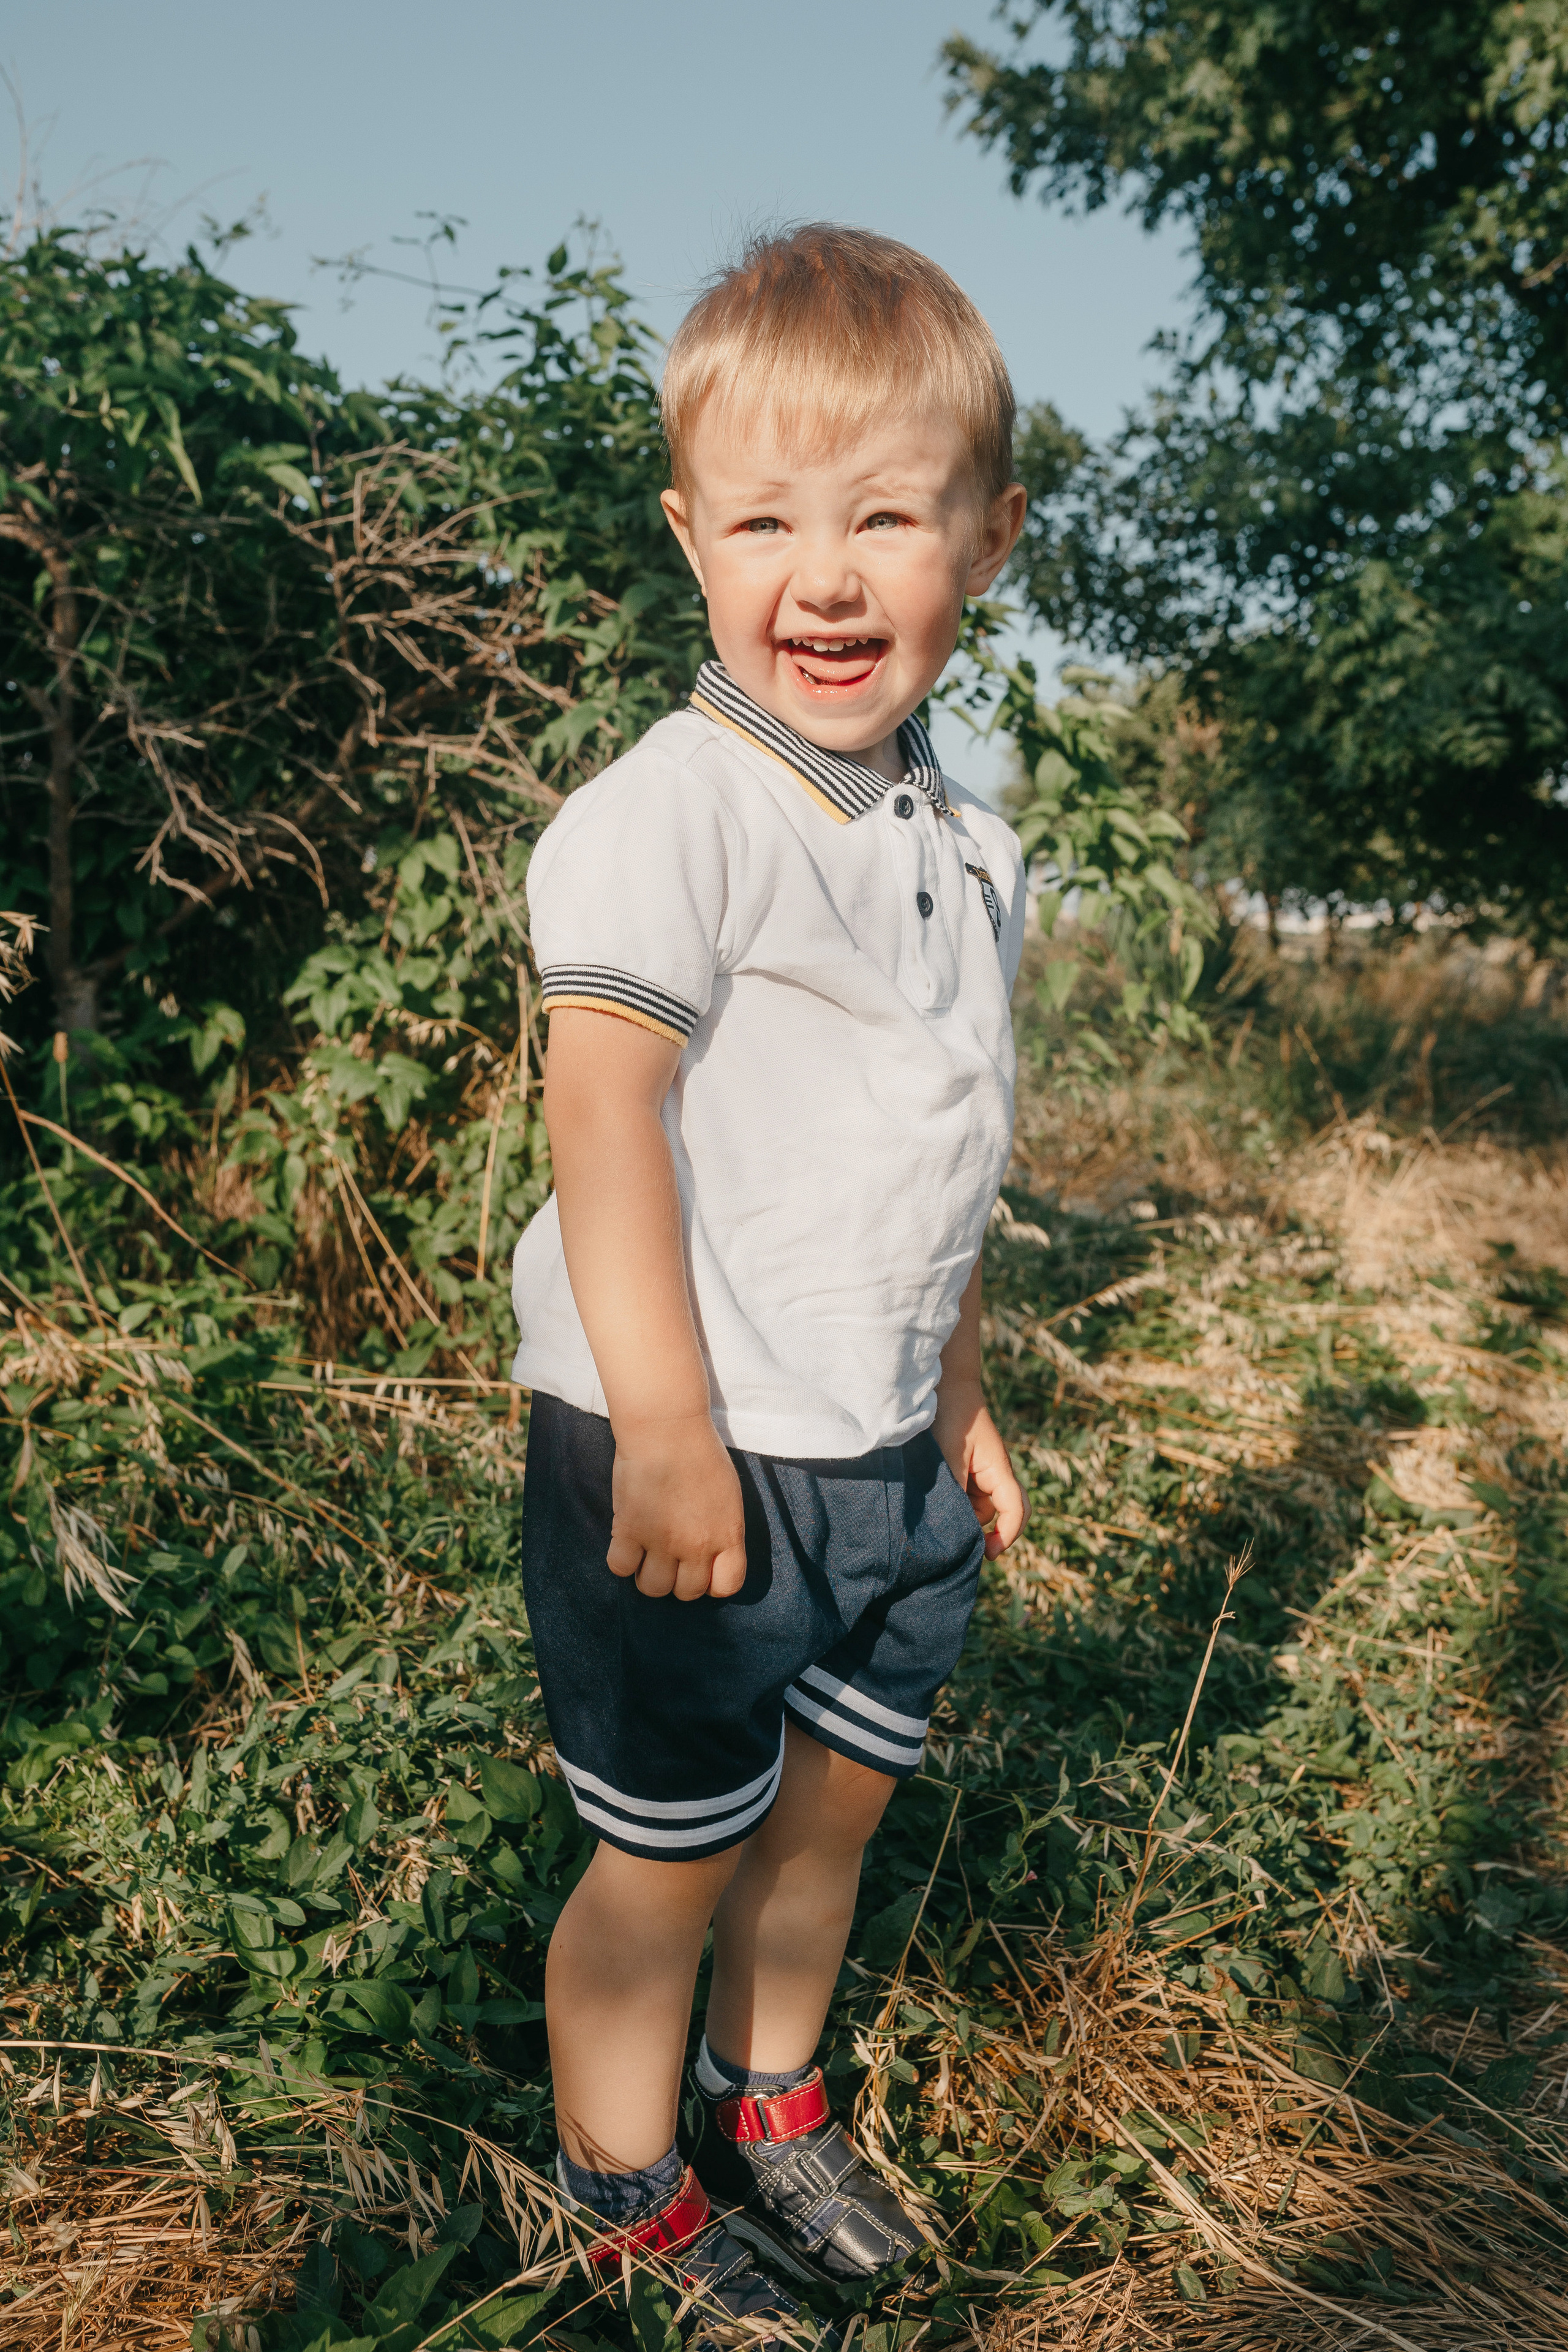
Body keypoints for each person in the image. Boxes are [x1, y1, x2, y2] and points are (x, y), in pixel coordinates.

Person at [509, 222, 1030, 2340]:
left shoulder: (974, 848)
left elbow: (954, 1142)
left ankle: (773, 2092)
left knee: (827, 1821)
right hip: (693, 1443)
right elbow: (603, 1116)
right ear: (688, 535)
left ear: (983, 543)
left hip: (879, 1438)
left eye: (886, 516)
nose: (825, 576)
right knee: (670, 1858)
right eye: (765, 520)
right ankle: (617, 2179)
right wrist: (663, 1423)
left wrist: (963, 1395)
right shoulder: (673, 816)